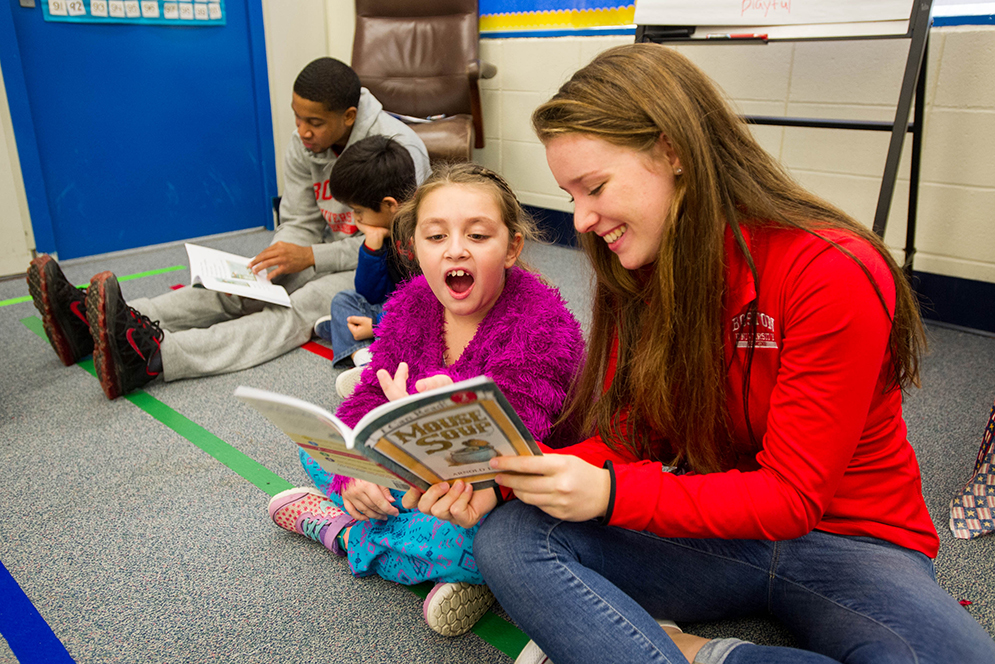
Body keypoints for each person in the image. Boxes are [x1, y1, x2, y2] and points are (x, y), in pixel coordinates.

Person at [413, 45, 995, 664]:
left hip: (852, 542)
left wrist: (612, 496)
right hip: (714, 530)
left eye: (594, 188)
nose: (580, 220)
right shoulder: (639, 268)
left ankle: (684, 652)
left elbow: (793, 498)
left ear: (674, 153)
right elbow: (631, 435)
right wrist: (504, 485)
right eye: (568, 194)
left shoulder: (832, 270)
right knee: (510, 539)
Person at [265, 163, 585, 637]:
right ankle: (397, 532)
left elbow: (518, 443)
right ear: (413, 247)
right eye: (436, 237)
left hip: (498, 493)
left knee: (477, 548)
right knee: (318, 450)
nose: (456, 249)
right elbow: (366, 399)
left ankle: (343, 532)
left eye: (477, 235)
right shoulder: (412, 302)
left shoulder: (542, 323)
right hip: (417, 475)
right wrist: (353, 473)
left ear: (512, 247)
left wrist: (448, 415)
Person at [25, 57, 429, 400]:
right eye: (297, 116)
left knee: (294, 309)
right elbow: (299, 219)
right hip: (319, 249)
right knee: (241, 286)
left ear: (349, 117)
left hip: (370, 265)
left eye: (314, 122)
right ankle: (95, 323)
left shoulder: (398, 150)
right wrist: (280, 255)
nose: (302, 130)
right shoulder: (304, 142)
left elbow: (400, 241)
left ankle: (154, 357)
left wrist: (309, 257)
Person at [309, 135, 416, 398]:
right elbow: (368, 292)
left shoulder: (421, 239)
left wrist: (377, 324)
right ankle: (361, 350)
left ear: (390, 205)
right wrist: (371, 245)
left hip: (415, 316)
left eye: (358, 211)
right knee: (343, 299)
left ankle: (365, 360)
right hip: (391, 308)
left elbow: (424, 307)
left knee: (359, 316)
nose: (356, 218)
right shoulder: (384, 229)